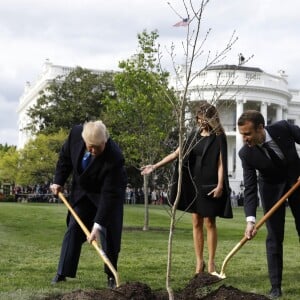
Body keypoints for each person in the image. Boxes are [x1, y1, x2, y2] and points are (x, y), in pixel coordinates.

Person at [141, 102, 232, 274]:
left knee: (209, 222)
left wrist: (220, 185)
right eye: (198, 119)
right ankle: (199, 262)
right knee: (196, 221)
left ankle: (212, 263)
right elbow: (176, 153)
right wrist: (155, 166)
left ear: (211, 119)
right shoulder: (193, 135)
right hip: (193, 184)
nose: (200, 123)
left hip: (210, 184)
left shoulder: (219, 137)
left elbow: (221, 163)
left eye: (203, 119)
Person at [50, 120, 127, 289]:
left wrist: (97, 225)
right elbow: (65, 158)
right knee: (73, 229)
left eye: (97, 147)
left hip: (107, 196)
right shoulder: (76, 134)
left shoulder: (115, 157)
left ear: (104, 141)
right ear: (84, 139)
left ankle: (111, 275)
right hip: (83, 194)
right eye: (89, 146)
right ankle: (62, 272)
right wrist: (58, 181)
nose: (92, 151)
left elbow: (109, 194)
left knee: (109, 235)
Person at [237, 110, 300, 298]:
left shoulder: (284, 128)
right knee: (274, 236)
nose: (244, 139)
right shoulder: (245, 154)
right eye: (241, 134)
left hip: (296, 181)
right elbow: (249, 187)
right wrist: (250, 220)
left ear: (260, 128)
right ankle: (275, 287)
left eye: (247, 134)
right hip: (271, 188)